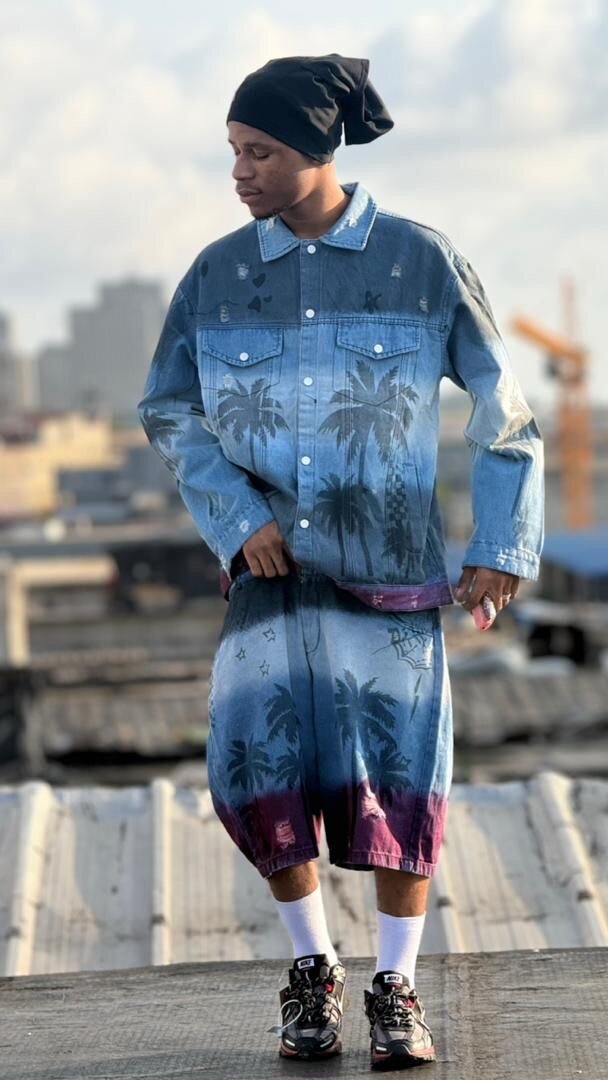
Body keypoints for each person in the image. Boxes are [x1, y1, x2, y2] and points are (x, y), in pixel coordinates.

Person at [137, 52, 544, 1070]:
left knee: (401, 775)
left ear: (317, 150)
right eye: (234, 151)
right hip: (268, 585)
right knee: (259, 769)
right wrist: (237, 518)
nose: (240, 172)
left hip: (390, 578)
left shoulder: (420, 261)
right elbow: (169, 410)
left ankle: (395, 989)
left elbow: (503, 414)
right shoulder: (215, 275)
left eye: (260, 152)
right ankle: (311, 971)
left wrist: (500, 546)